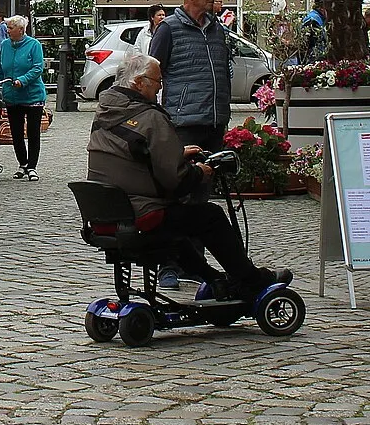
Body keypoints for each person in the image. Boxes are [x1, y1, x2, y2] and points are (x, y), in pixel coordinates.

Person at [87, 53, 291, 295]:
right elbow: (176, 180)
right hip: (140, 210)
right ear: (139, 83)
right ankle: (250, 279)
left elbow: (131, 153)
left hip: (108, 211)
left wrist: (175, 153)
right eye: (157, 81)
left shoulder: (107, 111)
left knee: (178, 231)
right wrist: (200, 172)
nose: (161, 86)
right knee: (209, 216)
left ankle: (216, 280)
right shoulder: (150, 116)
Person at [150, 0, 232, 152]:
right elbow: (151, 72)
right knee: (188, 177)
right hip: (185, 123)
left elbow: (223, 71)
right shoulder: (168, 29)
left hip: (216, 121)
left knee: (213, 176)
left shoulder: (216, 28)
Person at [0, 14, 46, 180]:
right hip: (12, 96)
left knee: (33, 132)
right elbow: (0, 70)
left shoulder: (34, 45)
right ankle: (22, 163)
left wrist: (22, 81)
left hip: (33, 96)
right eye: (7, 27)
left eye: (10, 28)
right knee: (16, 133)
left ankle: (32, 166)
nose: (7, 30)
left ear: (21, 30)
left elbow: (38, 68)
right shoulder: (4, 45)